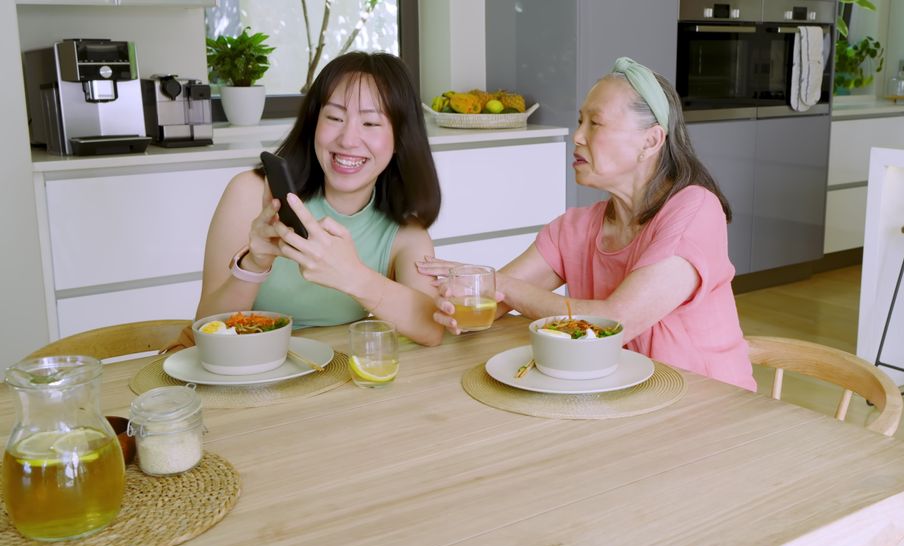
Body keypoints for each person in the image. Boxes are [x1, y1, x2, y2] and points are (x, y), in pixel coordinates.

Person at [419, 57, 755, 391]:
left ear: (650, 141)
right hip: (619, 400)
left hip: (706, 406)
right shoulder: (575, 228)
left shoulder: (695, 209)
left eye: (595, 123)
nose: (577, 136)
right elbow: (496, 301)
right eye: (580, 121)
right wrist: (460, 299)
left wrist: (493, 282)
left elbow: (613, 322)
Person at [194, 52, 444, 347]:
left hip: (336, 376)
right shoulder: (251, 194)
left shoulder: (405, 232)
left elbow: (431, 327)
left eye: (371, 123)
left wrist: (353, 275)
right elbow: (206, 329)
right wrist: (254, 263)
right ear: (314, 124)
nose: (348, 139)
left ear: (400, 139)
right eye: (335, 117)